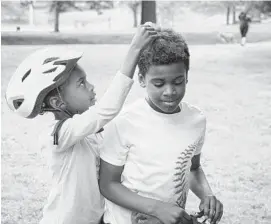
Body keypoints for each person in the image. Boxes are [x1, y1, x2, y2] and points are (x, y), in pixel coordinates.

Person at [5, 22, 159, 224]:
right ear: (58, 102)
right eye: (81, 83)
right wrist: (135, 49)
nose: (91, 87)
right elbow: (106, 110)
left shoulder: (92, 134)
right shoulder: (58, 135)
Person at [99, 28, 224, 224]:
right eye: (158, 83)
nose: (170, 91)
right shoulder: (124, 121)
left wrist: (207, 195)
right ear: (142, 79)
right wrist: (157, 209)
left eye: (178, 81)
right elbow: (108, 184)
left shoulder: (196, 120)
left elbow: (192, 169)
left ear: (187, 76)